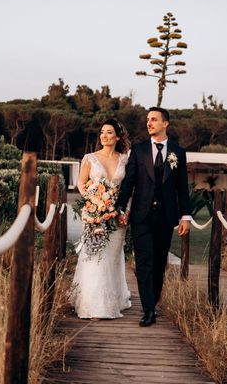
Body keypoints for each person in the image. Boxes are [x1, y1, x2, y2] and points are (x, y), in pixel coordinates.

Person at [116, 107, 191, 327]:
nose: (149, 123)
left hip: (166, 217)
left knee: (159, 263)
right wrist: (121, 208)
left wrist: (185, 216)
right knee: (144, 263)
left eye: (154, 120)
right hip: (141, 216)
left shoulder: (178, 152)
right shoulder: (138, 151)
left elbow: (182, 188)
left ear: (165, 123)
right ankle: (148, 310)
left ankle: (154, 301)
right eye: (148, 120)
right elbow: (128, 182)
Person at [70, 118, 132, 319]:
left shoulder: (125, 159)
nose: (104, 136)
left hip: (117, 216)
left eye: (109, 132)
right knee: (95, 256)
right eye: (102, 132)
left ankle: (113, 299)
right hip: (94, 214)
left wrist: (126, 211)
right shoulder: (90, 158)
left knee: (112, 258)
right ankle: (93, 305)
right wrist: (94, 202)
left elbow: (129, 189)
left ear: (118, 136)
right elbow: (81, 183)